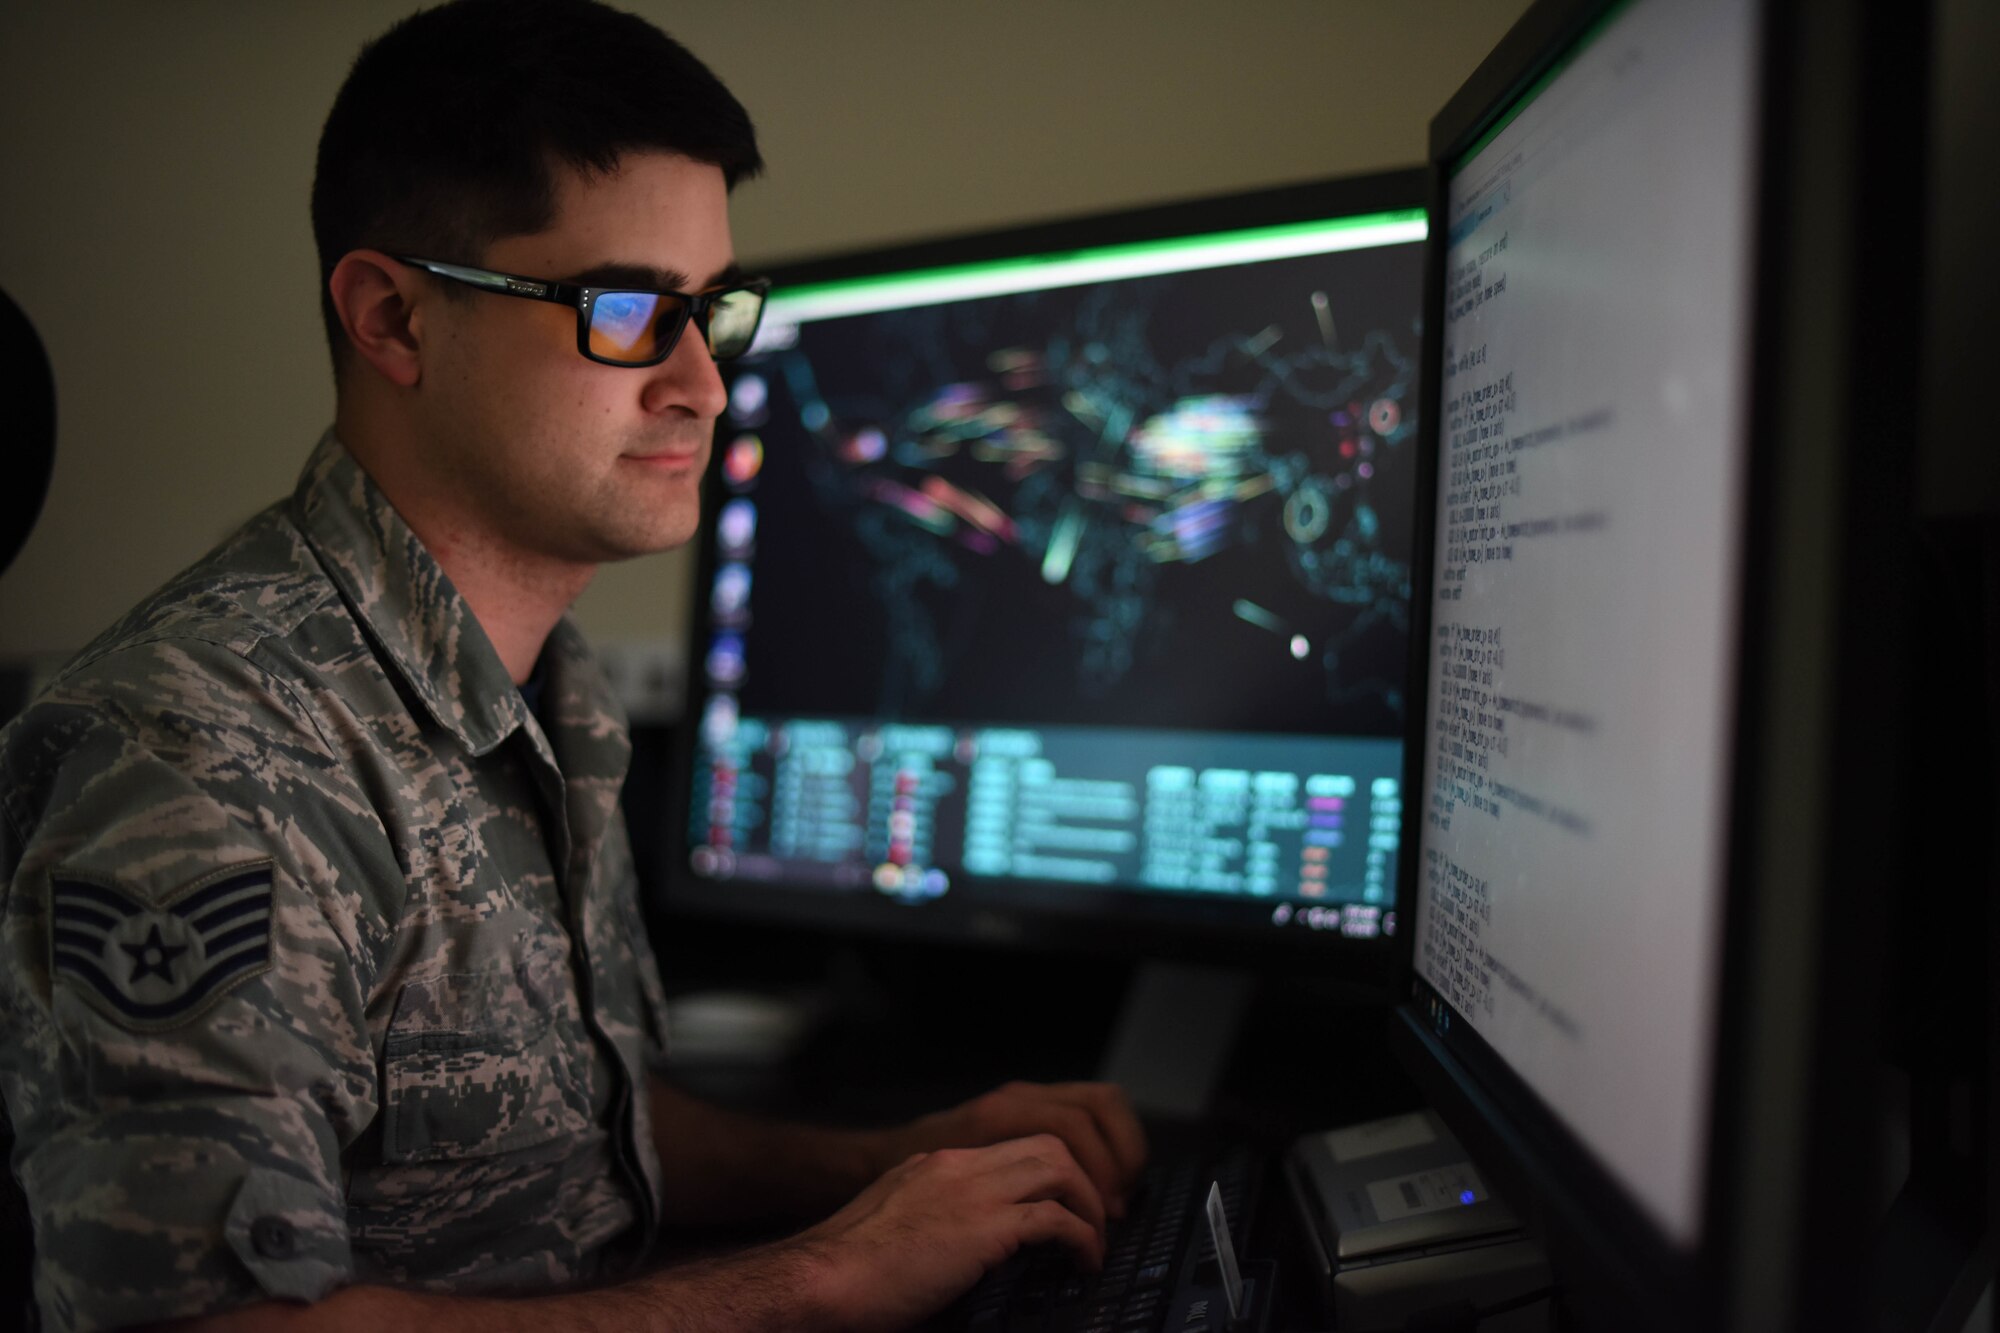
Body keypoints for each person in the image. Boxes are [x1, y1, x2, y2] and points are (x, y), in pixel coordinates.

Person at [0, 2, 1146, 1329]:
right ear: (395, 319)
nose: (707, 385)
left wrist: (883, 1164)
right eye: (626, 309)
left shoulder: (551, 681)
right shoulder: (201, 748)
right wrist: (823, 1276)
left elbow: (543, 1135)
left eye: (713, 310)